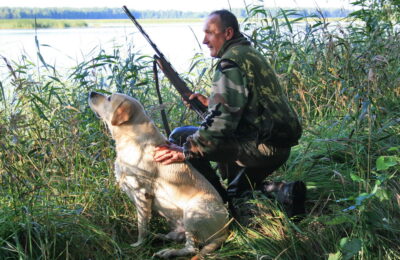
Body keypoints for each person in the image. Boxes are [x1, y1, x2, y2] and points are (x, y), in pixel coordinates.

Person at [153, 10, 305, 218]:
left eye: (210, 33)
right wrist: (209, 104)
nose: (204, 40)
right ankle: (284, 192)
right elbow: (242, 106)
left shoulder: (229, 63)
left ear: (228, 33)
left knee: (181, 136)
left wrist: (186, 150)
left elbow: (222, 124)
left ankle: (218, 203)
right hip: (276, 144)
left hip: (262, 147)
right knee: (238, 193)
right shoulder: (247, 53)